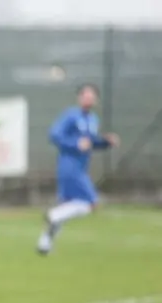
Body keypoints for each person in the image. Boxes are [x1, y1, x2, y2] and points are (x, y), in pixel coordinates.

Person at [37, 83, 119, 255]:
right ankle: (54, 215)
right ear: (79, 97)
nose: (89, 98)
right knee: (91, 202)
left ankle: (44, 243)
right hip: (69, 166)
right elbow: (54, 135)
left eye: (92, 96)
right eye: (86, 95)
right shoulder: (71, 116)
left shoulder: (92, 119)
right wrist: (74, 144)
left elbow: (90, 142)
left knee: (66, 205)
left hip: (81, 166)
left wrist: (106, 142)